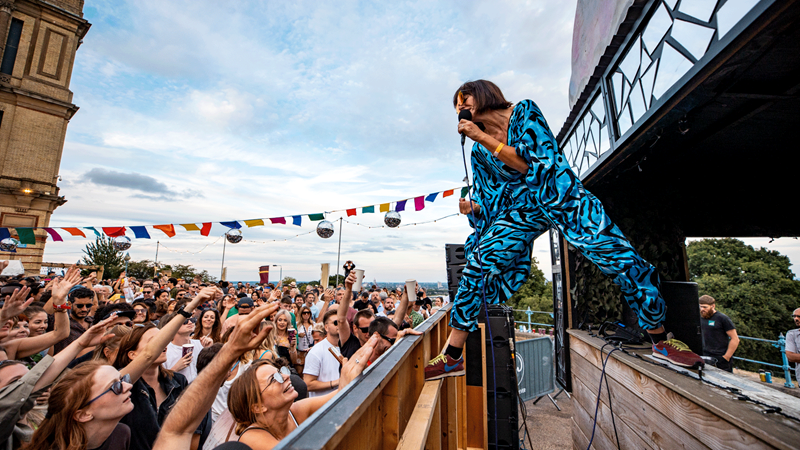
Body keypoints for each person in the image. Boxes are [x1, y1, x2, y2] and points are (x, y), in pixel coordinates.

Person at [425, 80, 702, 380]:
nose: (460, 108)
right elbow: (490, 195)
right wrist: (475, 208)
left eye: (463, 100)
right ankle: (453, 357)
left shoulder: (524, 112)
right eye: (456, 106)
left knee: (620, 258)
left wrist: (483, 138)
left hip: (562, 196)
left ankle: (660, 339)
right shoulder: (479, 153)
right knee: (476, 264)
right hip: (524, 210)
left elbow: (538, 166)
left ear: (482, 94)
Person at [228, 335, 378, 449]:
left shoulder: (294, 412)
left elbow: (340, 394)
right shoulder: (253, 438)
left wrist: (352, 370)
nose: (287, 376)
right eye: (275, 378)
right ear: (258, 407)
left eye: (281, 371)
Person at [114, 286, 218, 450]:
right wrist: (189, 307)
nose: (162, 345)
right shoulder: (123, 387)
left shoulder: (177, 381)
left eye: (163, 340)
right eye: (154, 342)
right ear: (132, 354)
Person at [10, 313, 129, 450]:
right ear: (82, 414)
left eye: (122, 380)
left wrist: (80, 344)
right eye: (115, 386)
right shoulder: (7, 433)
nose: (128, 385)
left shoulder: (121, 434)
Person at [302, 310, 340, 397]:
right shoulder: (316, 351)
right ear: (326, 327)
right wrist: (337, 383)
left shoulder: (349, 347)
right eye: (335, 322)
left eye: (342, 322)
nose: (339, 325)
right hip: (323, 406)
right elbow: (308, 384)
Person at [699, 295, 739, 372]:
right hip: (705, 355)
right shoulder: (700, 318)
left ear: (713, 306)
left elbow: (735, 339)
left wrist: (726, 357)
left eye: (705, 307)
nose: (702, 309)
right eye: (700, 307)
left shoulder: (722, 318)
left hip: (721, 357)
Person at [784, 308, 800, 375]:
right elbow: (790, 356)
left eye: (799, 316)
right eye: (794, 316)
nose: (796, 319)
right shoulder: (792, 334)